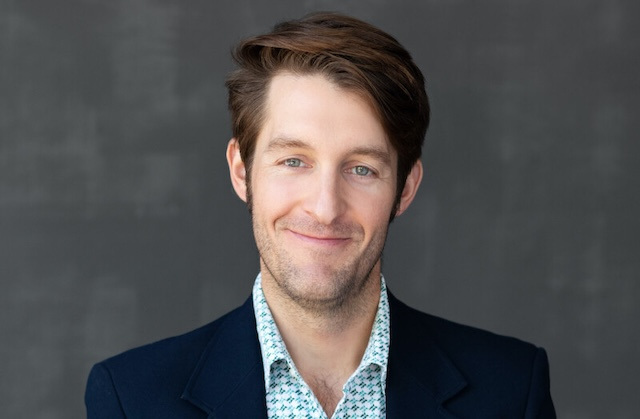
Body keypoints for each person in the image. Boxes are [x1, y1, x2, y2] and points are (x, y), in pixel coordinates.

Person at [85, 12, 556, 418]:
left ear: (406, 188)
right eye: (294, 161)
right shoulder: (132, 398)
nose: (325, 207)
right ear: (241, 171)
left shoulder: (511, 391)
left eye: (362, 169)